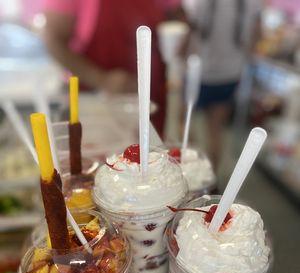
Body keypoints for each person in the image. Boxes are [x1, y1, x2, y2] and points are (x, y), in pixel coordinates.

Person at [42, 0, 183, 136]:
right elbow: (53, 39)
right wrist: (101, 79)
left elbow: (177, 15)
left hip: (151, 98)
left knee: (154, 156)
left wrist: (181, 35)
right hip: (96, 104)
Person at [187, 0, 262, 169]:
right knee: (215, 130)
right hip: (230, 74)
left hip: (201, 71)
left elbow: (191, 30)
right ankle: (211, 178)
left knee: (184, 122)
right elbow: (257, 34)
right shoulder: (253, 3)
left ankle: (191, 170)